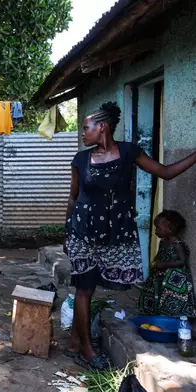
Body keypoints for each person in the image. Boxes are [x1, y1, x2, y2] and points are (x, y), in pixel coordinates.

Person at [64, 102, 196, 370]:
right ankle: (88, 350)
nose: (82, 133)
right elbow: (73, 198)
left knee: (95, 285)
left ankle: (77, 339)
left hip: (115, 234)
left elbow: (166, 172)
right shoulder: (80, 160)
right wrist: (67, 232)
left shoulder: (128, 153)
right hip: (84, 233)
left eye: (85, 127)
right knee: (84, 287)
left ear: (102, 127)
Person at [139, 211, 196, 316]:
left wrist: (164, 265)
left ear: (170, 229)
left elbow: (182, 261)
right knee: (156, 295)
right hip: (161, 275)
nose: (155, 230)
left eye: (158, 228)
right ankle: (155, 315)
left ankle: (170, 317)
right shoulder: (163, 241)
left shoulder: (177, 244)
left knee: (170, 299)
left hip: (173, 278)